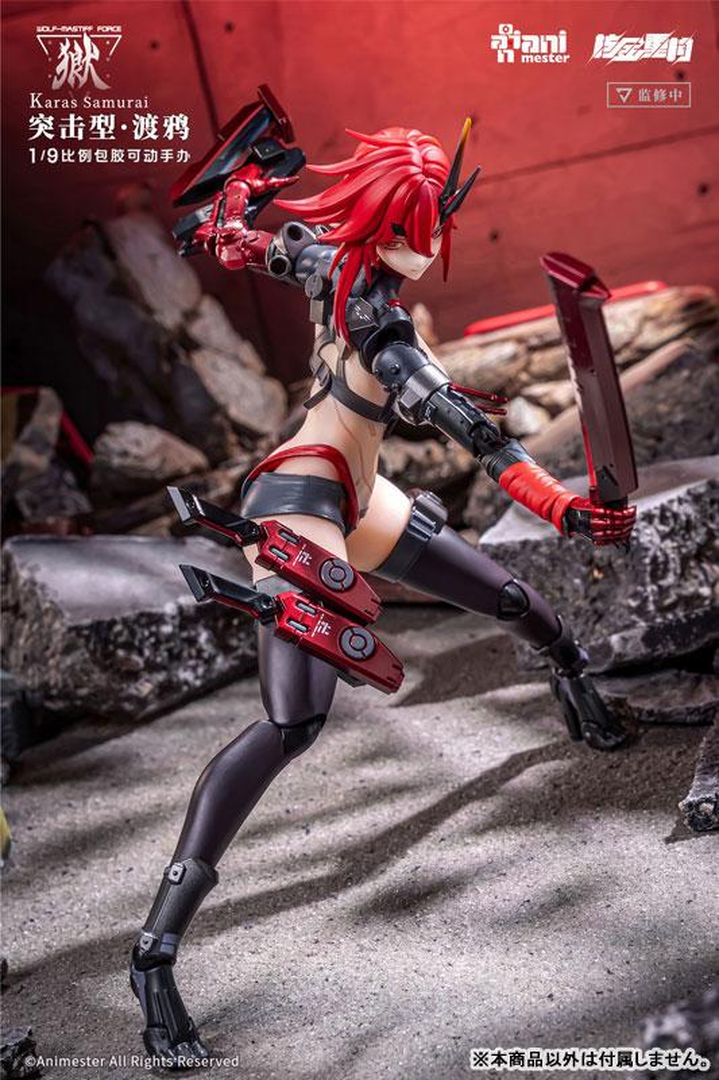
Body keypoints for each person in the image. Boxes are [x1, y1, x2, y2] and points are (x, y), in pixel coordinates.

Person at [130, 118, 636, 1067]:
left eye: (436, 217)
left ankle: (581, 691)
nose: (433, 237)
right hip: (300, 505)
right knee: (291, 724)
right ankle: (154, 953)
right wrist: (568, 511)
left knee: (509, 599)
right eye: (422, 220)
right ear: (394, 223)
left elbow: (232, 239)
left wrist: (234, 197)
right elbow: (489, 447)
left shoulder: (325, 258)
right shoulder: (392, 339)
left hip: (355, 491)